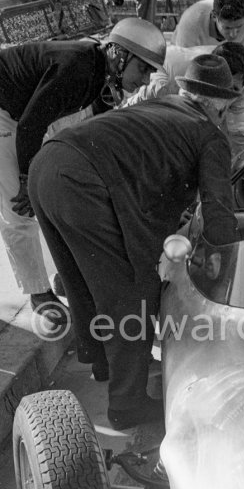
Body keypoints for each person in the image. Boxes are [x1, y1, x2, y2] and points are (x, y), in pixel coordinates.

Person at [28, 54, 240, 431]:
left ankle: (103, 363)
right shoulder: (210, 135)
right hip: (82, 181)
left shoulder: (163, 104)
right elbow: (219, 215)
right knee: (130, 290)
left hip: (48, 163)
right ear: (220, 104)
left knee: (81, 279)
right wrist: (227, 266)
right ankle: (127, 405)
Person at [0, 17, 165, 325]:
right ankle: (38, 293)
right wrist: (25, 178)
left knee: (49, 195)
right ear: (119, 54)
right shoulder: (78, 69)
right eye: (143, 68)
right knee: (19, 207)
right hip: (5, 112)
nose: (145, 81)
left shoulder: (98, 75)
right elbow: (31, 125)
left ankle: (60, 275)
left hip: (21, 113)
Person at [124, 40, 244, 158]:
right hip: (169, 72)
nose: (224, 98)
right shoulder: (163, 84)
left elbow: (241, 138)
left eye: (233, 90)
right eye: (222, 88)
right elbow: (127, 114)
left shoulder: (242, 88)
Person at [174, 0, 244, 155]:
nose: (234, 35)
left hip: (229, 69)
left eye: (239, 27)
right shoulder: (191, 22)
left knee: (241, 133)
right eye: (227, 27)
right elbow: (189, 81)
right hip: (192, 70)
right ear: (214, 16)